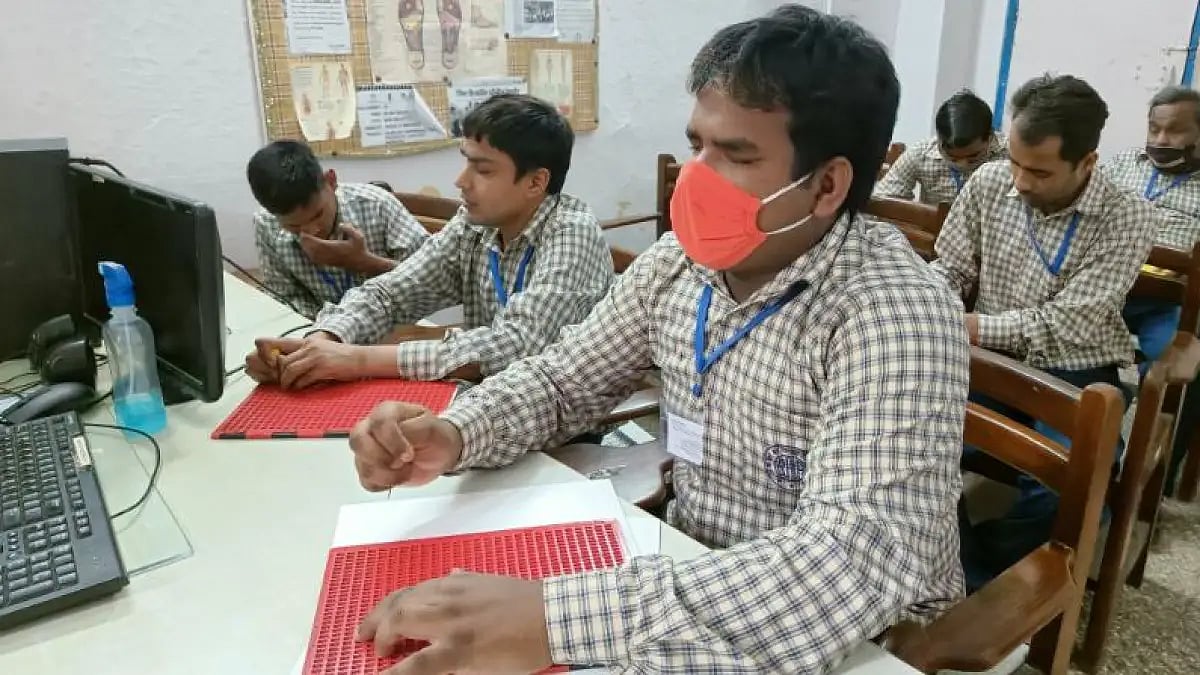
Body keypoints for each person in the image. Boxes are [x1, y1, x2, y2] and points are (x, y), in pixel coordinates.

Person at [345, 7, 970, 673]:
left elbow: (847, 560)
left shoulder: (894, 311)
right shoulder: (681, 263)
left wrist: (555, 618)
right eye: (697, 143)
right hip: (687, 571)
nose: (695, 177)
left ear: (826, 185)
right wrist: (455, 433)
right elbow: (564, 378)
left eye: (736, 155)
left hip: (858, 633)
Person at [931, 74, 1157, 591]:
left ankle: (991, 568)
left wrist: (970, 325)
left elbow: (1069, 324)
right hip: (988, 359)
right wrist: (933, 302)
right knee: (905, 437)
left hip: (1076, 368)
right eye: (1014, 161)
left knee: (1076, 487)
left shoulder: (1128, 217)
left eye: (1039, 171)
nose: (1021, 182)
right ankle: (962, 569)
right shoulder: (990, 184)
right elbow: (951, 268)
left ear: (1087, 163)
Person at [246, 94, 613, 386]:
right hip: (482, 398)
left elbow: (516, 346)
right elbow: (390, 293)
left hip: (558, 425)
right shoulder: (474, 227)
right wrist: (325, 340)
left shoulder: (571, 234)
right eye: (465, 161)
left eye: (482, 169)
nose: (461, 181)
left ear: (536, 182)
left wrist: (356, 358)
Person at [1102, 86, 1200, 496]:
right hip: (1107, 288)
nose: (1160, 140)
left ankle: (1151, 486)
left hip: (1170, 304)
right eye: (1154, 128)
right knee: (1059, 346)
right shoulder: (1123, 163)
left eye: (1174, 131)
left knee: (1183, 371)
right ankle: (1085, 460)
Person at [249, 140, 428, 319]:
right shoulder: (267, 224)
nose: (312, 231)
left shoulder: (378, 205)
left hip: (392, 326)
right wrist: (329, 327)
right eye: (294, 227)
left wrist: (366, 262)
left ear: (331, 181)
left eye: (317, 215)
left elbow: (427, 281)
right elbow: (285, 296)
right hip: (320, 330)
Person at [874, 90, 1007, 205]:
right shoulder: (921, 154)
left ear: (990, 137)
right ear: (939, 140)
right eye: (952, 158)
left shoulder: (1011, 157)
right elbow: (883, 199)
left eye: (973, 157)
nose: (962, 165)